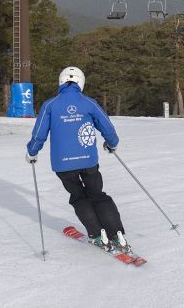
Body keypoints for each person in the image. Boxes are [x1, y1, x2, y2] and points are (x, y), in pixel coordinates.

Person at [26, 66, 129, 252]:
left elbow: (39, 134)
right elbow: (108, 128)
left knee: (79, 197)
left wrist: (32, 152)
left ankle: (98, 235)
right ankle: (116, 234)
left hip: (63, 165)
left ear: (61, 81)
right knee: (98, 195)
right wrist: (111, 143)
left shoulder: (50, 104)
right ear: (81, 82)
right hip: (88, 161)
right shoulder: (89, 103)